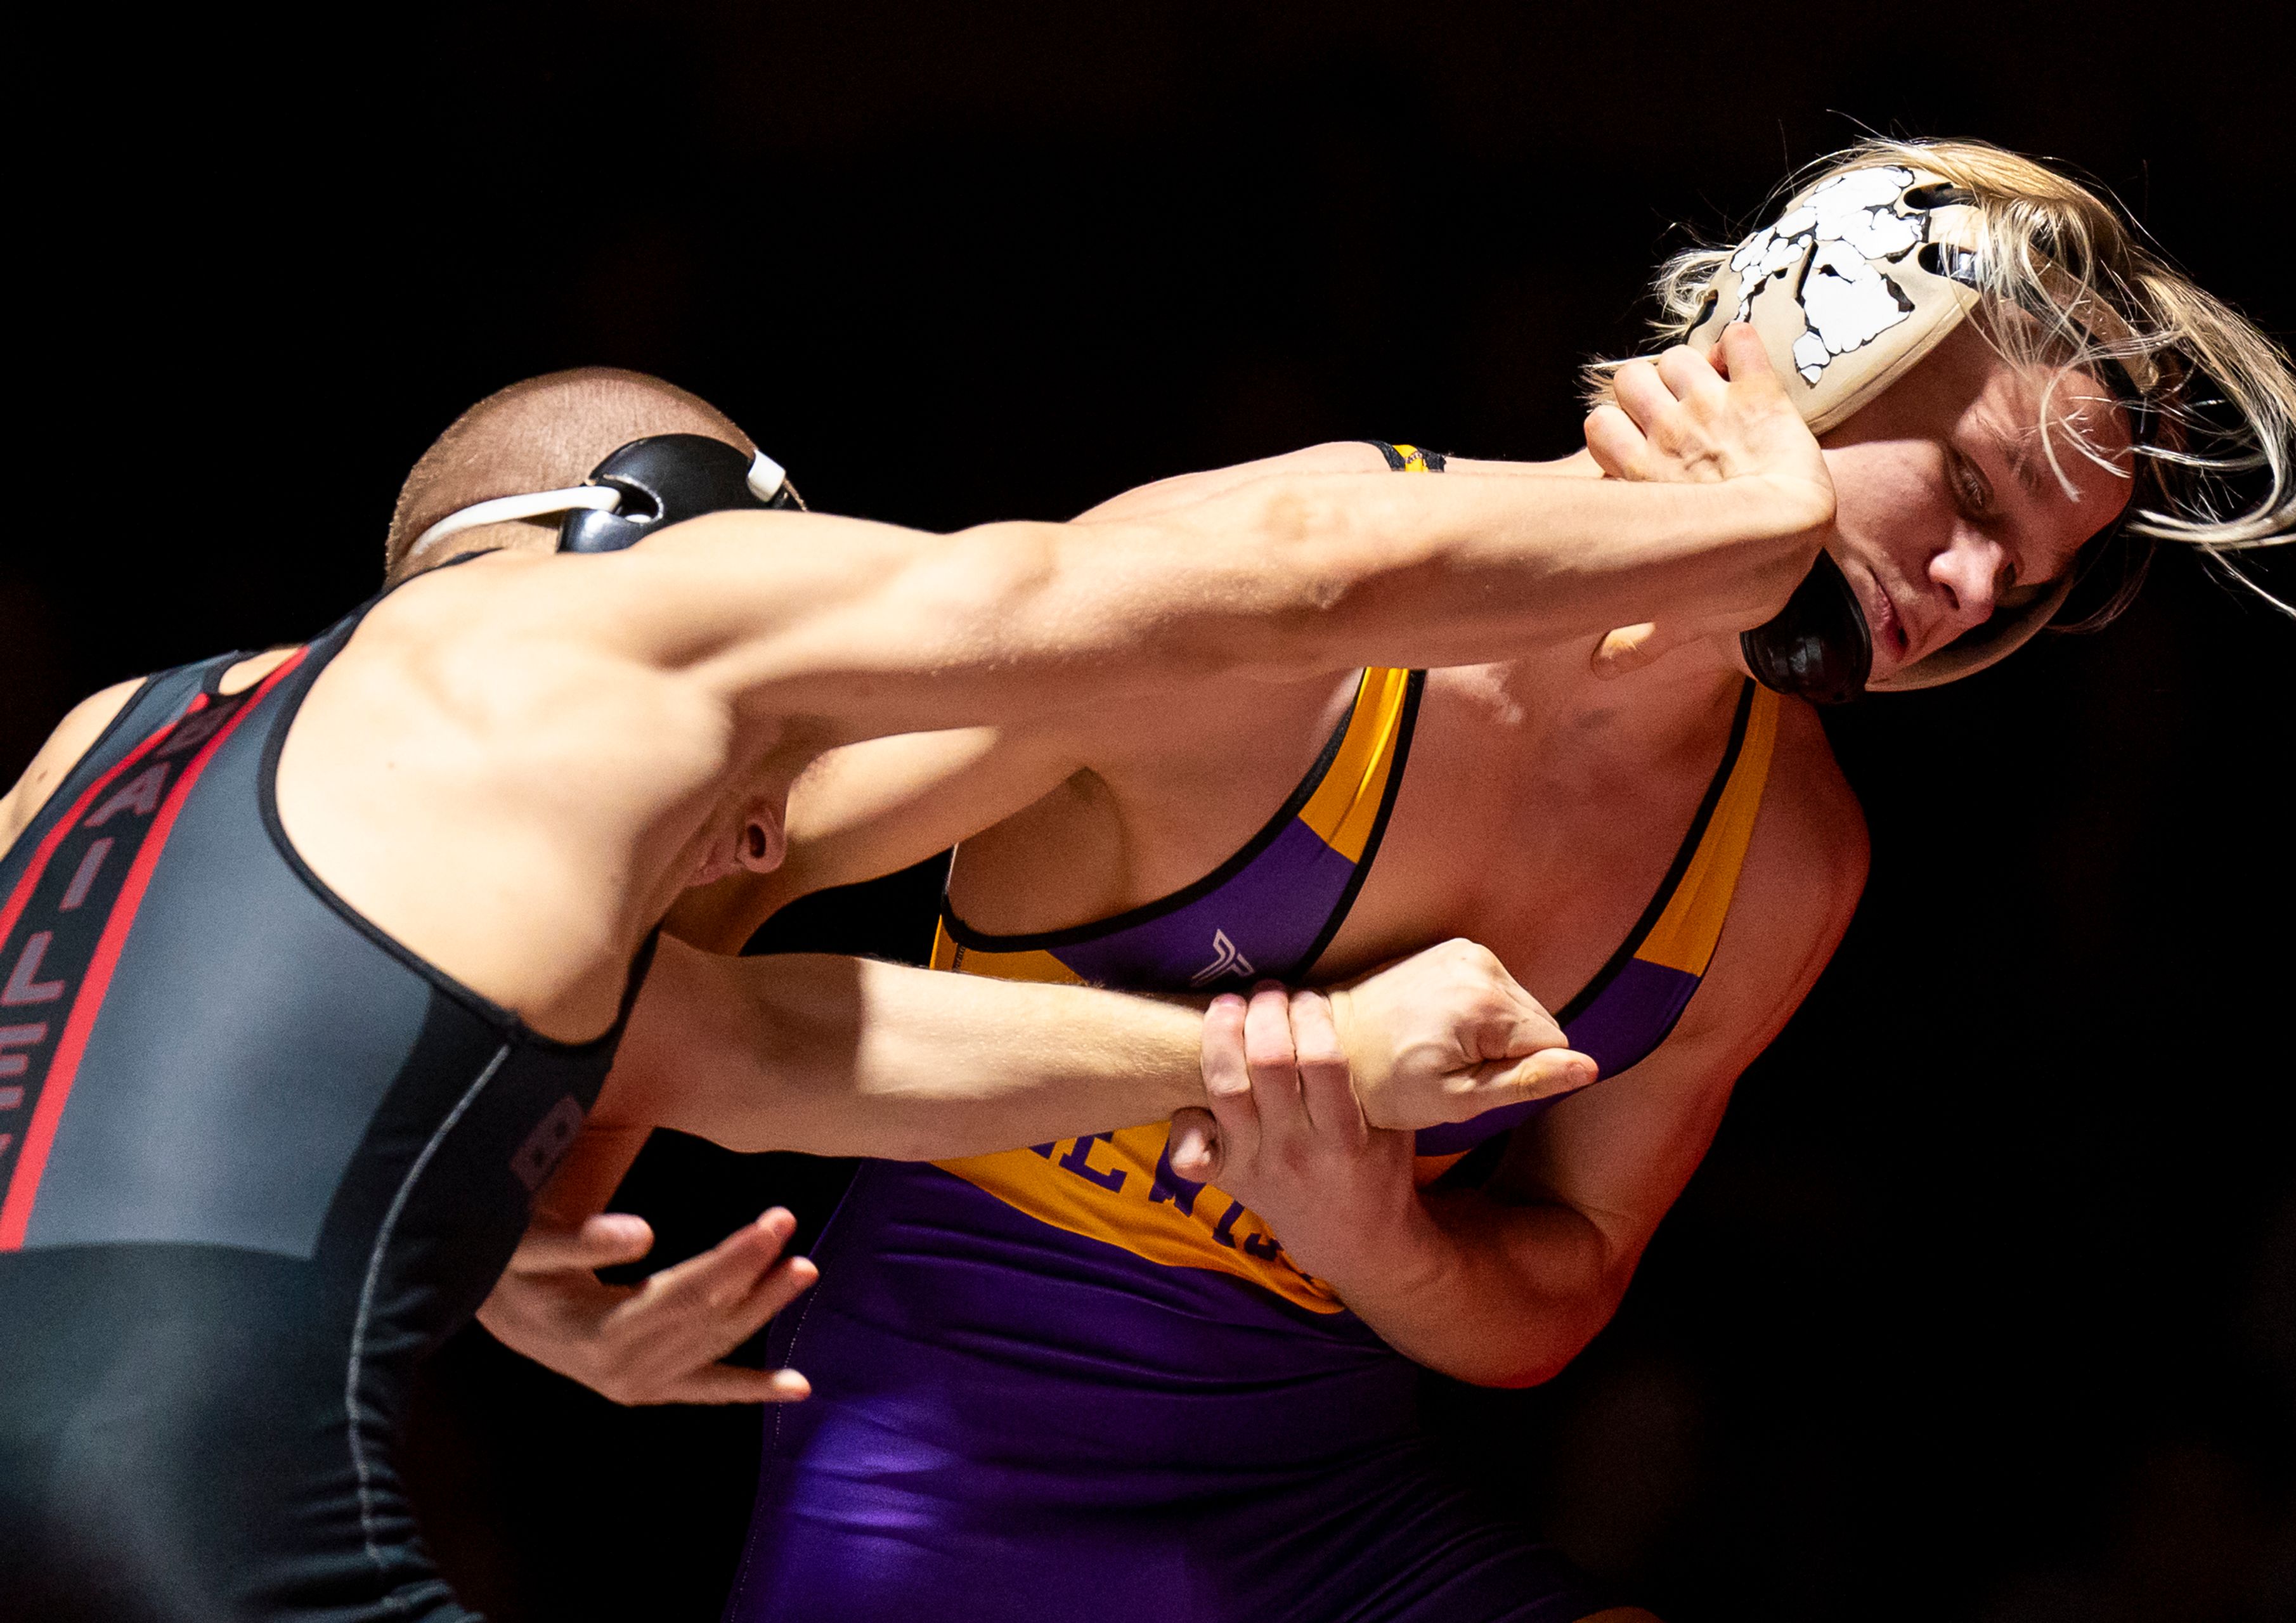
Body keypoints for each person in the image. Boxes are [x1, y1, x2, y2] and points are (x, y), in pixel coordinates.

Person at [487, 139, 2296, 1623]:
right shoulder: (1290, 584)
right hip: (947, 1459)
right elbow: (705, 861)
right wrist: (537, 1239)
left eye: (2021, 583)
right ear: (1802, 347)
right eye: (1964, 494)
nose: (1964, 595)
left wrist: (1375, 1233)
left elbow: (1565, 1283)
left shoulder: (1786, 854)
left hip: (1321, 1505)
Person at [0, 349, 1842, 1622]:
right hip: (205, 1530)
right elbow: (1214, 583)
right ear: (673, 534)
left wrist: (505, 1247)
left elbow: (742, 1038)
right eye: (764, 760)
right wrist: (1745, 539)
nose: (763, 838)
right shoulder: (607, 616)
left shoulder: (123, 738)